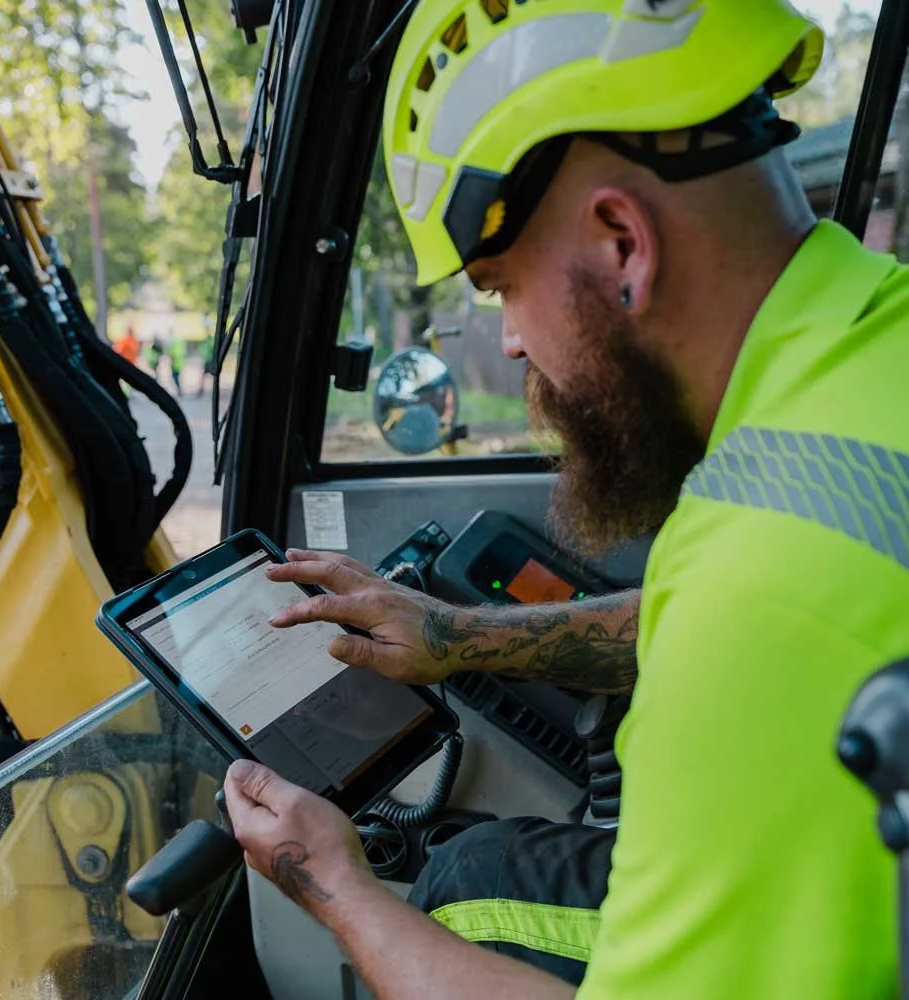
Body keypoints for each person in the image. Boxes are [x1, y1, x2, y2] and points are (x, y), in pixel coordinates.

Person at [222, 2, 905, 997]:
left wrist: (331, 882)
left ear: (622, 241)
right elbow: (686, 613)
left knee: (443, 890)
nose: (505, 341)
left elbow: (742, 617)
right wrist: (459, 637)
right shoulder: (855, 366)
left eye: (498, 284)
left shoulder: (760, 591)